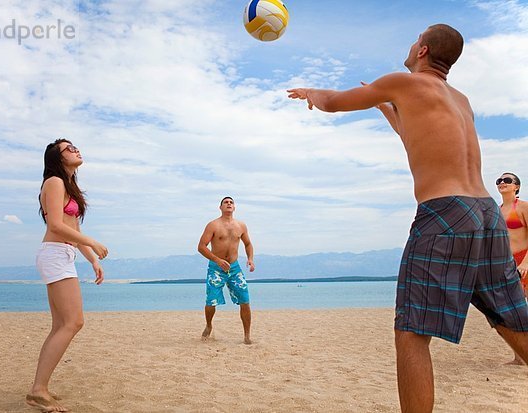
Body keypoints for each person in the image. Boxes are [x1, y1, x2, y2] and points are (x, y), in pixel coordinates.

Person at [287, 24, 528, 413]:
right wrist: (387, 109)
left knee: (412, 331)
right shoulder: (459, 99)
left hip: (445, 212)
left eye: (415, 39)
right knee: (511, 317)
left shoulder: (404, 82)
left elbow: (335, 101)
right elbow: (419, 136)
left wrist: (313, 94)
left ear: (423, 49)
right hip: (484, 212)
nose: (411, 43)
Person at [26, 139, 108, 412]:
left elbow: (71, 227)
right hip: (54, 254)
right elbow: (56, 226)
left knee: (61, 325)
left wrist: (93, 260)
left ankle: (40, 388)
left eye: (75, 146)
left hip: (63, 255)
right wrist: (92, 241)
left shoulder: (68, 186)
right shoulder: (54, 182)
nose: (76, 150)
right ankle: (38, 389)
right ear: (57, 158)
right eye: (68, 148)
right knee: (73, 322)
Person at [197, 196, 255, 345]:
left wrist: (250, 259)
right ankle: (209, 325)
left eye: (231, 202)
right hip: (216, 268)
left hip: (234, 268)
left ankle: (247, 336)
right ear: (221, 207)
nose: (229, 204)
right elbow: (201, 247)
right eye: (225, 202)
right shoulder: (213, 225)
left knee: (245, 300)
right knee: (211, 301)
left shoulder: (241, 226)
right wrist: (217, 260)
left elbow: (248, 244)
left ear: (234, 207)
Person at [497, 172, 528, 365]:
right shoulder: (496, 210)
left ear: (516, 186)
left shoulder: (523, 207)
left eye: (507, 180)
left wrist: (525, 262)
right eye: (499, 181)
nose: (502, 183)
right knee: (513, 311)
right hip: (507, 264)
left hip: (525, 260)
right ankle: (519, 357)